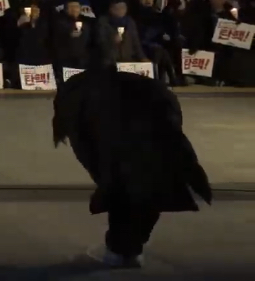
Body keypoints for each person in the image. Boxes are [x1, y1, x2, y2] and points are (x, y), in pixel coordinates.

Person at [52, 63, 212, 268]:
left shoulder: (84, 101)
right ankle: (128, 246)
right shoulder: (149, 97)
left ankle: (121, 248)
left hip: (118, 133)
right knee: (147, 185)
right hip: (142, 129)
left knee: (124, 186)